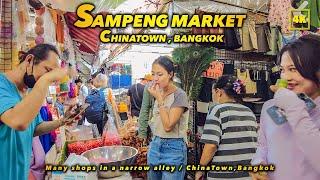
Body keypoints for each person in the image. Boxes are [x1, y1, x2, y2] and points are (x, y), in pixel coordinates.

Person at [0, 44, 80, 180]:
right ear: (29, 60)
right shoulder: (2, 86)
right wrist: (46, 79)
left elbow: (34, 128)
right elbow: (18, 122)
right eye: (47, 71)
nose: (47, 80)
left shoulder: (30, 91)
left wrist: (61, 122)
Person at [251, 34, 320, 180]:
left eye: (293, 69)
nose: (286, 77)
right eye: (282, 69)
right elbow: (263, 146)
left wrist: (293, 107)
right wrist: (258, 163)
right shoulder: (269, 107)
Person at [195, 75, 258, 180]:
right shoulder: (249, 112)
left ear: (219, 92)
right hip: (247, 175)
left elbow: (211, 145)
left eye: (213, 93)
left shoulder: (217, 110)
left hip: (223, 175)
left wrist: (200, 169)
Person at [147, 56, 189, 180]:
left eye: (159, 74)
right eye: (153, 74)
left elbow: (168, 126)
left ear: (170, 74)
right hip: (155, 144)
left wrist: (159, 99)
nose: (155, 78)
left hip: (174, 148)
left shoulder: (180, 95)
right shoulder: (157, 91)